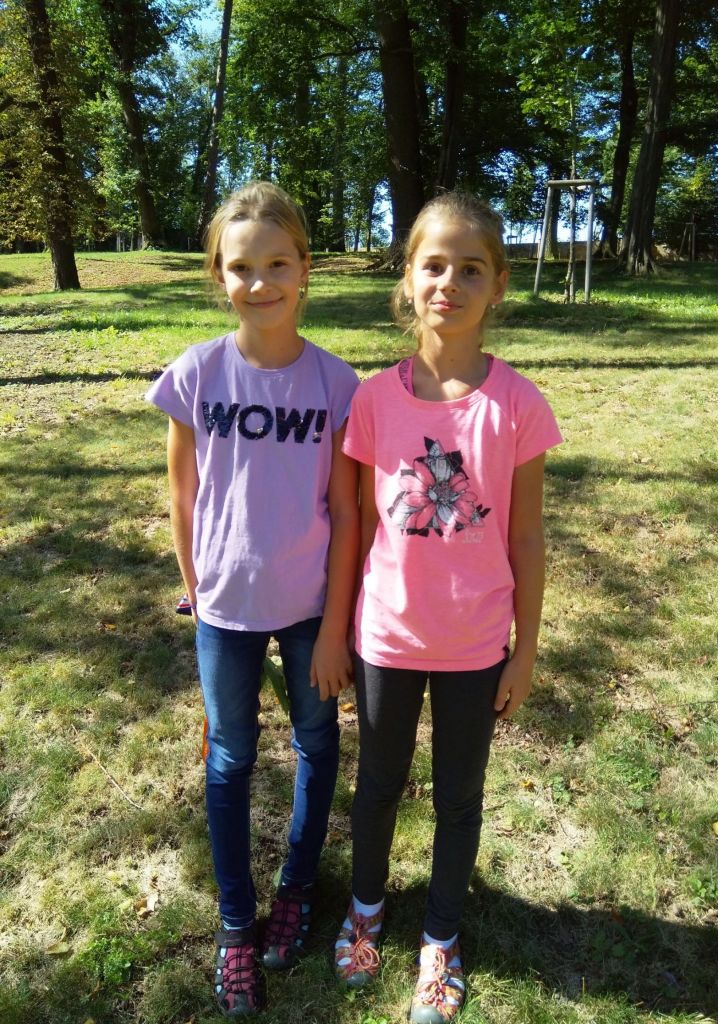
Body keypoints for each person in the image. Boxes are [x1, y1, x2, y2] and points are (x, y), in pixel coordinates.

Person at [334, 193, 562, 1022]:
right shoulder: (372, 400)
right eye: (433, 265)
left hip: (476, 645)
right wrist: (336, 631)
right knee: (378, 786)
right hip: (385, 638)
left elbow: (527, 538)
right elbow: (357, 526)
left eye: (471, 268)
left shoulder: (520, 405)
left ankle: (440, 937)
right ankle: (365, 911)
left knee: (459, 797)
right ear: (407, 277)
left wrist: (525, 650)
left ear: (498, 284)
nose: (450, 282)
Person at [145, 181, 359, 1015]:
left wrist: (336, 625)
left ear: (305, 269)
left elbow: (346, 509)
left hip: (310, 610)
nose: (260, 282)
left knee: (316, 743)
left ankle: (297, 889)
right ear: (218, 276)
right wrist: (196, 588)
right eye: (241, 267)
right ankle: (237, 925)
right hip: (224, 611)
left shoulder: (337, 384)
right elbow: (182, 492)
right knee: (230, 759)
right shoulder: (196, 373)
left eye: (277, 264)